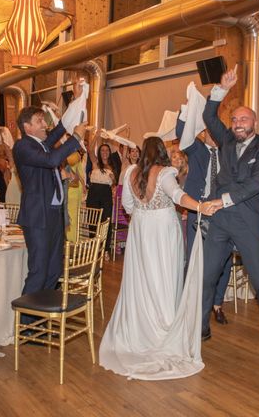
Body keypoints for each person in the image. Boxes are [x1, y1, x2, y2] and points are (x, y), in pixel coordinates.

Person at [99, 137, 220, 380]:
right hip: (163, 230)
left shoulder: (131, 172)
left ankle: (140, 328)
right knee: (165, 277)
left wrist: (144, 214)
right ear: (162, 152)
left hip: (140, 230)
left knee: (142, 280)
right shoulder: (165, 173)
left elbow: (127, 206)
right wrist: (200, 206)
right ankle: (164, 330)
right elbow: (178, 197)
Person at [201, 67, 259, 368]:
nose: (238, 123)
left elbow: (255, 184)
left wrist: (221, 199)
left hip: (248, 221)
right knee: (207, 276)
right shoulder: (225, 140)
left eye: (243, 119)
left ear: (254, 123)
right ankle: (201, 327)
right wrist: (220, 90)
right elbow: (209, 117)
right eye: (235, 119)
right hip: (221, 222)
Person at [13, 105, 86, 299]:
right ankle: (26, 326)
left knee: (54, 271)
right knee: (38, 272)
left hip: (54, 215)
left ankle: (41, 319)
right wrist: (76, 138)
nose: (45, 124)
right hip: (38, 218)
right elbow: (52, 160)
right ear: (27, 127)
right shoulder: (23, 146)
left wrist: (77, 101)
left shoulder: (42, 143)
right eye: (40, 121)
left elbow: (60, 127)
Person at [175, 116, 231, 325]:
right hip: (197, 209)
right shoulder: (196, 149)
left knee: (224, 260)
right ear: (203, 133)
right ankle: (191, 304)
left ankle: (217, 305)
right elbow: (181, 131)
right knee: (194, 258)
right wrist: (187, 109)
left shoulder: (227, 152)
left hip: (220, 211)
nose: (214, 137)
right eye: (210, 132)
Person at [86, 132, 116, 258]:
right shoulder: (95, 163)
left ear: (109, 153)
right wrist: (97, 135)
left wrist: (113, 178)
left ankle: (105, 249)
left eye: (106, 150)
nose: (104, 152)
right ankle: (94, 248)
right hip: (93, 193)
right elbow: (90, 149)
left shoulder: (112, 166)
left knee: (106, 222)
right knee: (93, 221)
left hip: (106, 195)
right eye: (102, 150)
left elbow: (114, 183)